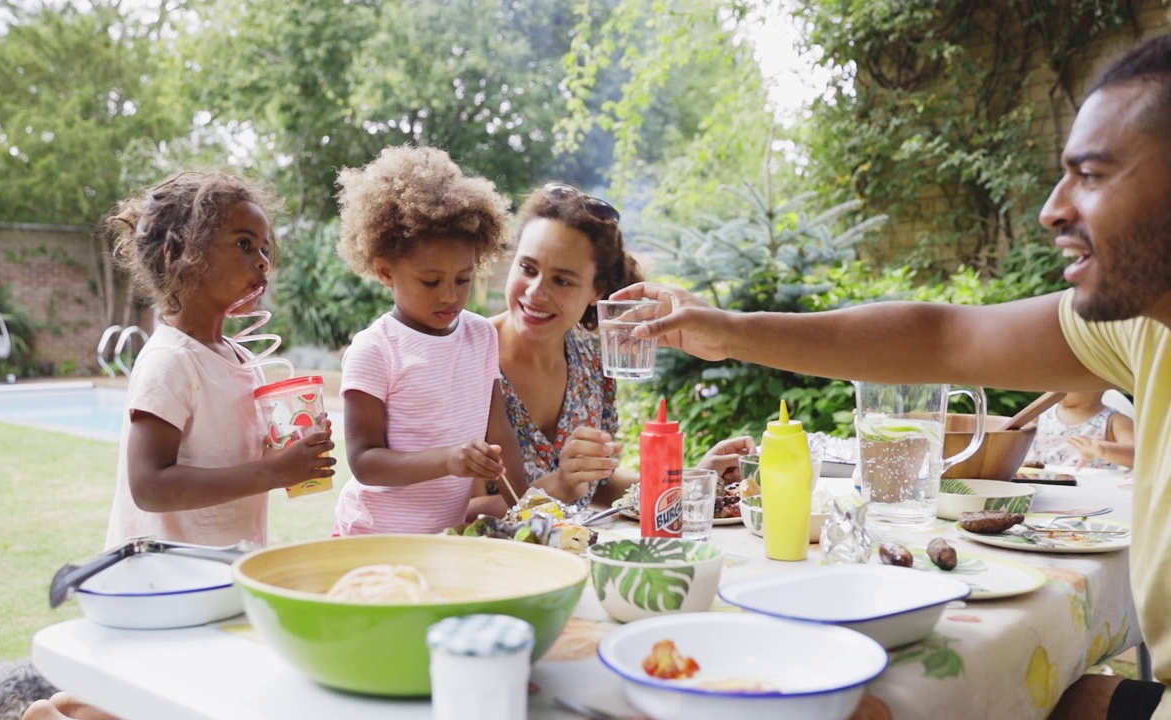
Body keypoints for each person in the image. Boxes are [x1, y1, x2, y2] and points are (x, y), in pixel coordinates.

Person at [613, 32, 1171, 720]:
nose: (1052, 209)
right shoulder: (1146, 323)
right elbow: (943, 339)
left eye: (1091, 174)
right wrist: (729, 332)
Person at [471, 182, 755, 519]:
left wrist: (691, 479)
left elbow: (599, 485)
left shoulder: (591, 361)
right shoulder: (467, 357)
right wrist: (558, 485)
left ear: (597, 291)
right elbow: (454, 512)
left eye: (562, 280)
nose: (535, 292)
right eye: (528, 268)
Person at [102, 170, 335, 549]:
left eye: (264, 248)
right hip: (167, 578)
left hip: (224, 570)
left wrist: (290, 454)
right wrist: (270, 472)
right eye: (244, 244)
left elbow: (237, 461)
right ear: (180, 254)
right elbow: (150, 486)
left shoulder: (240, 358)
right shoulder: (170, 361)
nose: (262, 261)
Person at [333, 145, 526, 535]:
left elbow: (500, 432)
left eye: (462, 279)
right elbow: (365, 462)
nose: (449, 295)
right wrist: (448, 460)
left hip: (442, 539)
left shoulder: (481, 335)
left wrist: (530, 510)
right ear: (386, 272)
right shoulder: (375, 350)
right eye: (430, 280)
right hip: (373, 538)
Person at [1025, 391, 1136, 469]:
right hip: (1043, 484)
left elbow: (1137, 456)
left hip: (1087, 492)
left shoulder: (1115, 420)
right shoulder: (1042, 413)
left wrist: (1103, 450)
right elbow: (1016, 439)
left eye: (1065, 381)